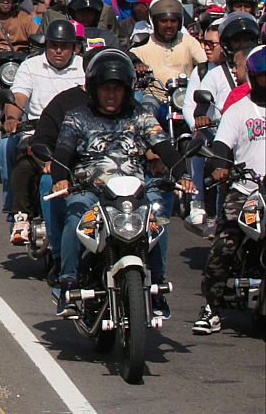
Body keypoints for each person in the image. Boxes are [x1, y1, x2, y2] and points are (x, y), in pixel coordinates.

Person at [51, 49, 183, 320]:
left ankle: (156, 286)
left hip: (134, 192)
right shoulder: (77, 117)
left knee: (157, 219)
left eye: (117, 89)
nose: (111, 95)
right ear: (94, 89)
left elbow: (165, 148)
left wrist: (183, 174)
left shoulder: (141, 116)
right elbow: (62, 154)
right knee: (76, 215)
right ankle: (68, 285)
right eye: (105, 88)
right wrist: (59, 177)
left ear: (127, 90)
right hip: (91, 191)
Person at [193, 44, 266, 334]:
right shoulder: (240, 111)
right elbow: (222, 146)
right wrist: (221, 166)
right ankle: (211, 308)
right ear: (253, 76)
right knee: (225, 244)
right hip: (247, 190)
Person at [3, 18, 83, 244]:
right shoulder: (30, 65)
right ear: (45, 45)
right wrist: (12, 117)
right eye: (53, 45)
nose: (58, 51)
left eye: (64, 46)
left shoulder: (85, 67)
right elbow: (18, 96)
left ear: (74, 47)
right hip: (38, 130)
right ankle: (20, 216)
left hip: (77, 131)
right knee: (24, 162)